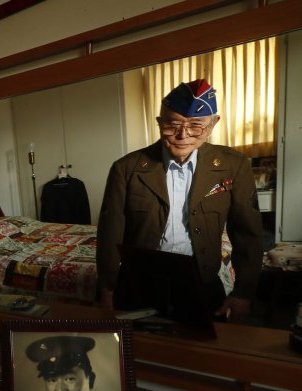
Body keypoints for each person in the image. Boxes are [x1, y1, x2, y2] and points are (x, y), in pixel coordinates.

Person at [96, 79, 263, 323]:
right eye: (172, 125)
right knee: (139, 351)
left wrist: (243, 293)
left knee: (202, 354)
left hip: (201, 279)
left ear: (213, 124)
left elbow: (247, 234)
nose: (183, 135)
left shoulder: (233, 166)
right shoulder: (126, 169)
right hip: (140, 281)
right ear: (159, 122)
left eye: (196, 126)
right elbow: (110, 233)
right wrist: (108, 287)